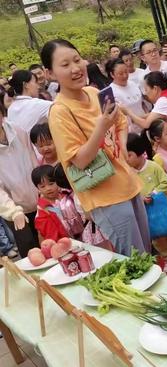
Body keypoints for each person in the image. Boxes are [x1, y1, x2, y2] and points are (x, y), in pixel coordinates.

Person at [42, 38, 150, 256]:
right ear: (49, 73)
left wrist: (120, 148)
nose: (75, 68)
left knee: (146, 250)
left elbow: (119, 120)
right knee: (136, 259)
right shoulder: (59, 111)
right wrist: (101, 127)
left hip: (127, 182)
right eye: (65, 65)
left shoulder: (93, 93)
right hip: (104, 195)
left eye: (76, 60)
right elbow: (79, 160)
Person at [126, 133, 167, 271]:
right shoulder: (129, 173)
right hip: (147, 211)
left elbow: (165, 181)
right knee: (157, 237)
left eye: (129, 155)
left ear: (140, 152)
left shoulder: (153, 166)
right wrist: (141, 198)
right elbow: (130, 191)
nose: (126, 160)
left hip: (164, 207)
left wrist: (154, 193)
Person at [0, 100, 39, 257]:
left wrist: (43, 191)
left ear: (2, 115)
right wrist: (14, 212)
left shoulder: (18, 131)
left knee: (54, 245)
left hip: (42, 199)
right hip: (16, 211)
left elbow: (34, 161)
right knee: (31, 254)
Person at [105, 58, 145, 134]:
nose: (125, 75)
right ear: (112, 74)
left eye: (126, 71)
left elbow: (142, 103)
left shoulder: (132, 84)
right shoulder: (112, 92)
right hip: (130, 133)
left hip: (144, 126)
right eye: (120, 73)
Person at [31, 165, 69, 241]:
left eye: (51, 184)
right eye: (43, 186)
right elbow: (43, 233)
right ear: (38, 188)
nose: (48, 188)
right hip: (59, 242)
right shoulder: (42, 209)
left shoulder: (67, 195)